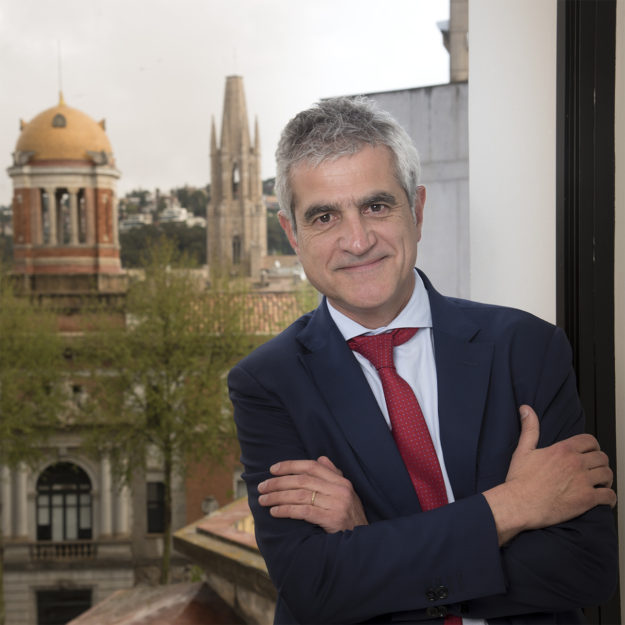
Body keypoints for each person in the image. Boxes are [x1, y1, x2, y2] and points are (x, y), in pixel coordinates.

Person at [228, 97, 617, 624]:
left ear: (417, 210)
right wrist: (515, 505)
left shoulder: (527, 346)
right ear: (292, 234)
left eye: (377, 206)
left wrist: (370, 548)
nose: (358, 240)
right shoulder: (267, 382)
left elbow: (584, 568)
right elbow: (316, 588)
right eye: (324, 216)